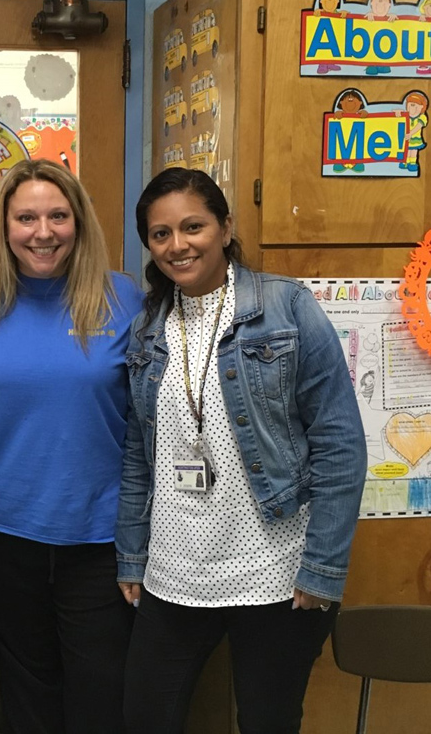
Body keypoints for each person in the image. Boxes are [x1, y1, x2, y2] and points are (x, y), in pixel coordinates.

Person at [116, 167, 367, 734]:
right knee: (144, 717)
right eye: (160, 234)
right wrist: (132, 551)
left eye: (193, 226)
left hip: (278, 575)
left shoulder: (287, 309)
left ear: (225, 228)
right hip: (173, 573)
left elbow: (341, 445)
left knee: (268, 723)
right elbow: (139, 452)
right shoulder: (148, 329)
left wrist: (322, 568)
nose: (178, 245)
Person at [0, 159, 144, 734]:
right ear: (3, 226)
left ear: (79, 222)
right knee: (26, 687)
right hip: (0, 534)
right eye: (27, 217)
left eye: (58, 216)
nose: (43, 232)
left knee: (101, 692)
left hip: (100, 538)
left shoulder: (124, 300)